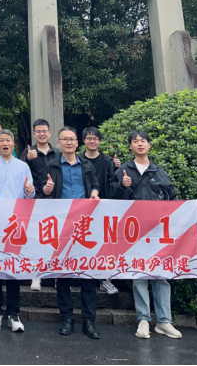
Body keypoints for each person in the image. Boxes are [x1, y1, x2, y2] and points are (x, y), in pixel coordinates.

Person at [113, 129, 197, 340]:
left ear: (149, 144)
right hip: (134, 233)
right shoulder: (123, 171)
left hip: (159, 233)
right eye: (135, 141)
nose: (140, 144)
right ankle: (143, 320)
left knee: (162, 275)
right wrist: (123, 187)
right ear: (130, 146)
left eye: (143, 141)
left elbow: (173, 200)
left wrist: (192, 207)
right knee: (139, 275)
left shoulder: (158, 171)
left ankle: (164, 321)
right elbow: (113, 202)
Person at [41, 126, 100, 339]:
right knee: (63, 273)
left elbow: (95, 184)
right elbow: (44, 192)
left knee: (88, 273)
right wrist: (47, 190)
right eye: (64, 139)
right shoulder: (52, 165)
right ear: (58, 143)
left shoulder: (87, 165)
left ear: (77, 143)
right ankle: (67, 318)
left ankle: (89, 321)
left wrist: (94, 192)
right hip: (62, 223)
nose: (68, 142)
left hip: (85, 223)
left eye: (72, 139)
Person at [0, 129, 34, 333]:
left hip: (16, 223)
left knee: (13, 267)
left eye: (8, 140)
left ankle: (13, 313)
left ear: (13, 143)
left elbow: (30, 194)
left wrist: (29, 190)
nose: (4, 143)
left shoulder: (23, 166)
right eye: (1, 140)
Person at [78, 126, 121, 296]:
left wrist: (117, 168)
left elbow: (115, 182)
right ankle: (81, 274)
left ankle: (105, 279)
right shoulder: (78, 159)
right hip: (81, 208)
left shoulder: (107, 161)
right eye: (89, 138)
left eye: (95, 138)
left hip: (103, 207)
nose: (92, 141)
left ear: (99, 141)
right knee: (82, 241)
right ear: (83, 141)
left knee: (103, 244)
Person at [21, 119, 57, 292]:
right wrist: (27, 159)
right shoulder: (28, 152)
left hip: (55, 201)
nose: (42, 134)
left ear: (49, 133)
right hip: (34, 201)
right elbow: (20, 171)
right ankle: (36, 275)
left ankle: (55, 273)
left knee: (54, 238)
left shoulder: (57, 153)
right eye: (38, 131)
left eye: (45, 131)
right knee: (35, 238)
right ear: (34, 134)